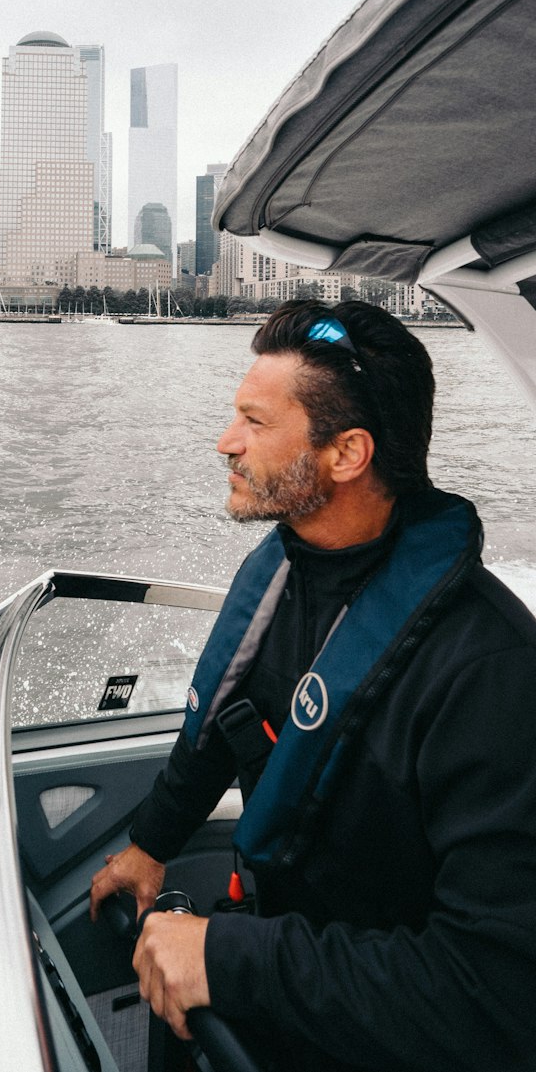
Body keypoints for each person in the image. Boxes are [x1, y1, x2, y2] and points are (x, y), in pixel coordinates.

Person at [89, 300, 536, 1072]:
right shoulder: (288, 573)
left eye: (256, 424)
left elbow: (495, 996)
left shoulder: (488, 676)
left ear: (347, 453)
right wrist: (151, 843)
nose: (224, 442)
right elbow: (229, 719)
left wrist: (231, 959)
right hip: (285, 985)